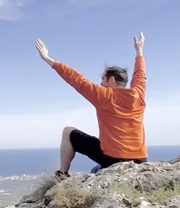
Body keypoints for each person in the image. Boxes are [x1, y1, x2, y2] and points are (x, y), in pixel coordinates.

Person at [34, 32, 147, 180]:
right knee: (95, 170)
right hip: (140, 160)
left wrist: (48, 59)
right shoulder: (138, 94)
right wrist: (139, 51)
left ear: (111, 80)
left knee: (68, 131)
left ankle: (62, 174)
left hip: (114, 159)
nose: (100, 83)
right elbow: (140, 75)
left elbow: (76, 78)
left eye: (103, 79)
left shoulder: (103, 95)